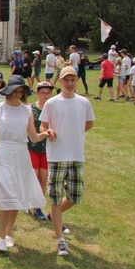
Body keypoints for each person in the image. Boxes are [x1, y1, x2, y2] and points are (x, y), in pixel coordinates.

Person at [0, 75, 50, 253]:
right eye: (15, 91)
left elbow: (33, 137)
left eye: (21, 92)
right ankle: (0, 236)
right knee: (7, 197)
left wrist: (46, 134)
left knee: (16, 198)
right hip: (3, 154)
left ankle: (8, 233)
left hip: (21, 155)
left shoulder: (26, 111)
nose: (18, 95)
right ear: (8, 91)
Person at [39, 66, 95, 256]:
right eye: (66, 80)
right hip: (56, 156)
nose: (69, 84)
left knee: (75, 196)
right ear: (60, 81)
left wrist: (74, 134)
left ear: (77, 80)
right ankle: (60, 240)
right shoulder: (52, 103)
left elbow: (88, 123)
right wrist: (49, 132)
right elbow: (43, 125)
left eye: (72, 80)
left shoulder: (84, 102)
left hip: (76, 155)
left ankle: (54, 215)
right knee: (55, 198)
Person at [28, 80, 53, 221]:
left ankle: (37, 206)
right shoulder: (31, 108)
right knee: (33, 176)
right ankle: (27, 200)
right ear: (37, 93)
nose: (45, 95)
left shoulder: (54, 107)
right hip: (32, 147)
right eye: (42, 92)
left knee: (43, 178)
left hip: (48, 149)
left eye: (48, 92)